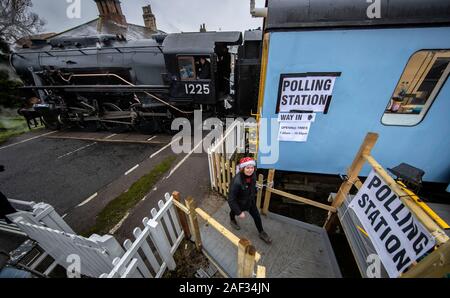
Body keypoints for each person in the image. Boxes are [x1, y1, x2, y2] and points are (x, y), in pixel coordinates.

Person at [227, 157, 272, 244]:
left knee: (257, 216)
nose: (250, 170)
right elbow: (231, 200)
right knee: (233, 212)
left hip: (250, 201)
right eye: (247, 168)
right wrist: (239, 212)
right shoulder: (237, 182)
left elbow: (252, 184)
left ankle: (261, 232)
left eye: (252, 167)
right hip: (239, 203)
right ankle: (232, 220)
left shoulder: (253, 174)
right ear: (243, 168)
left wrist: (266, 184)